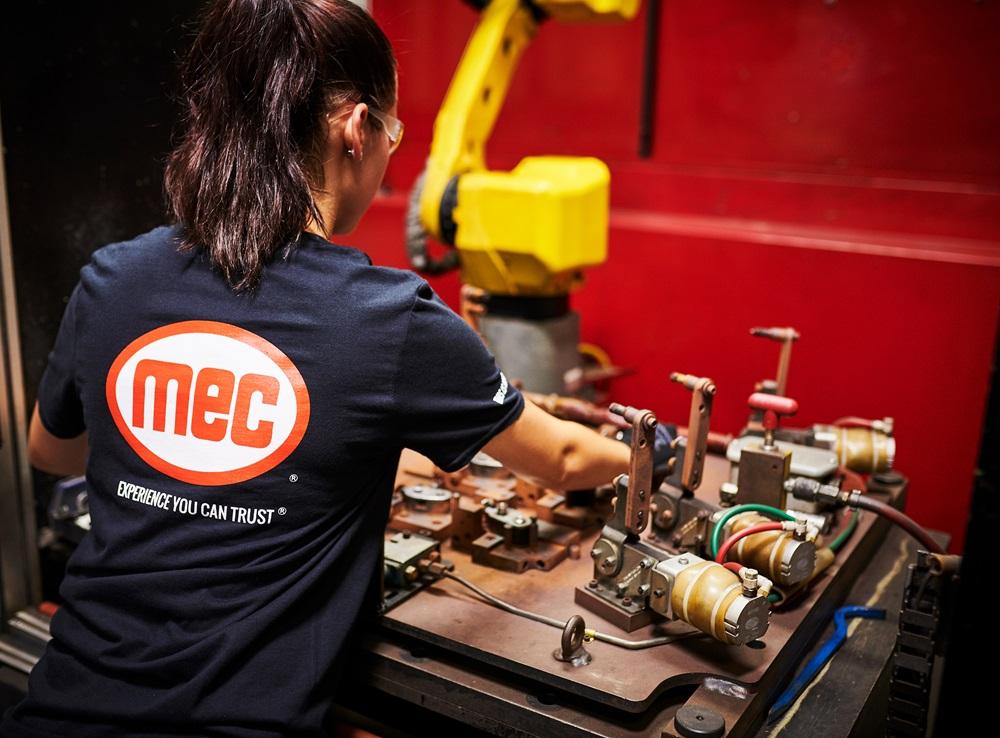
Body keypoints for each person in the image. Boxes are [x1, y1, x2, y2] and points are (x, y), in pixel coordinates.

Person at [0, 1, 635, 735]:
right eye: (394, 132)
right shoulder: (389, 317)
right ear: (357, 129)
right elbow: (560, 456)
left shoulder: (114, 277)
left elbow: (51, 449)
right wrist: (655, 465)